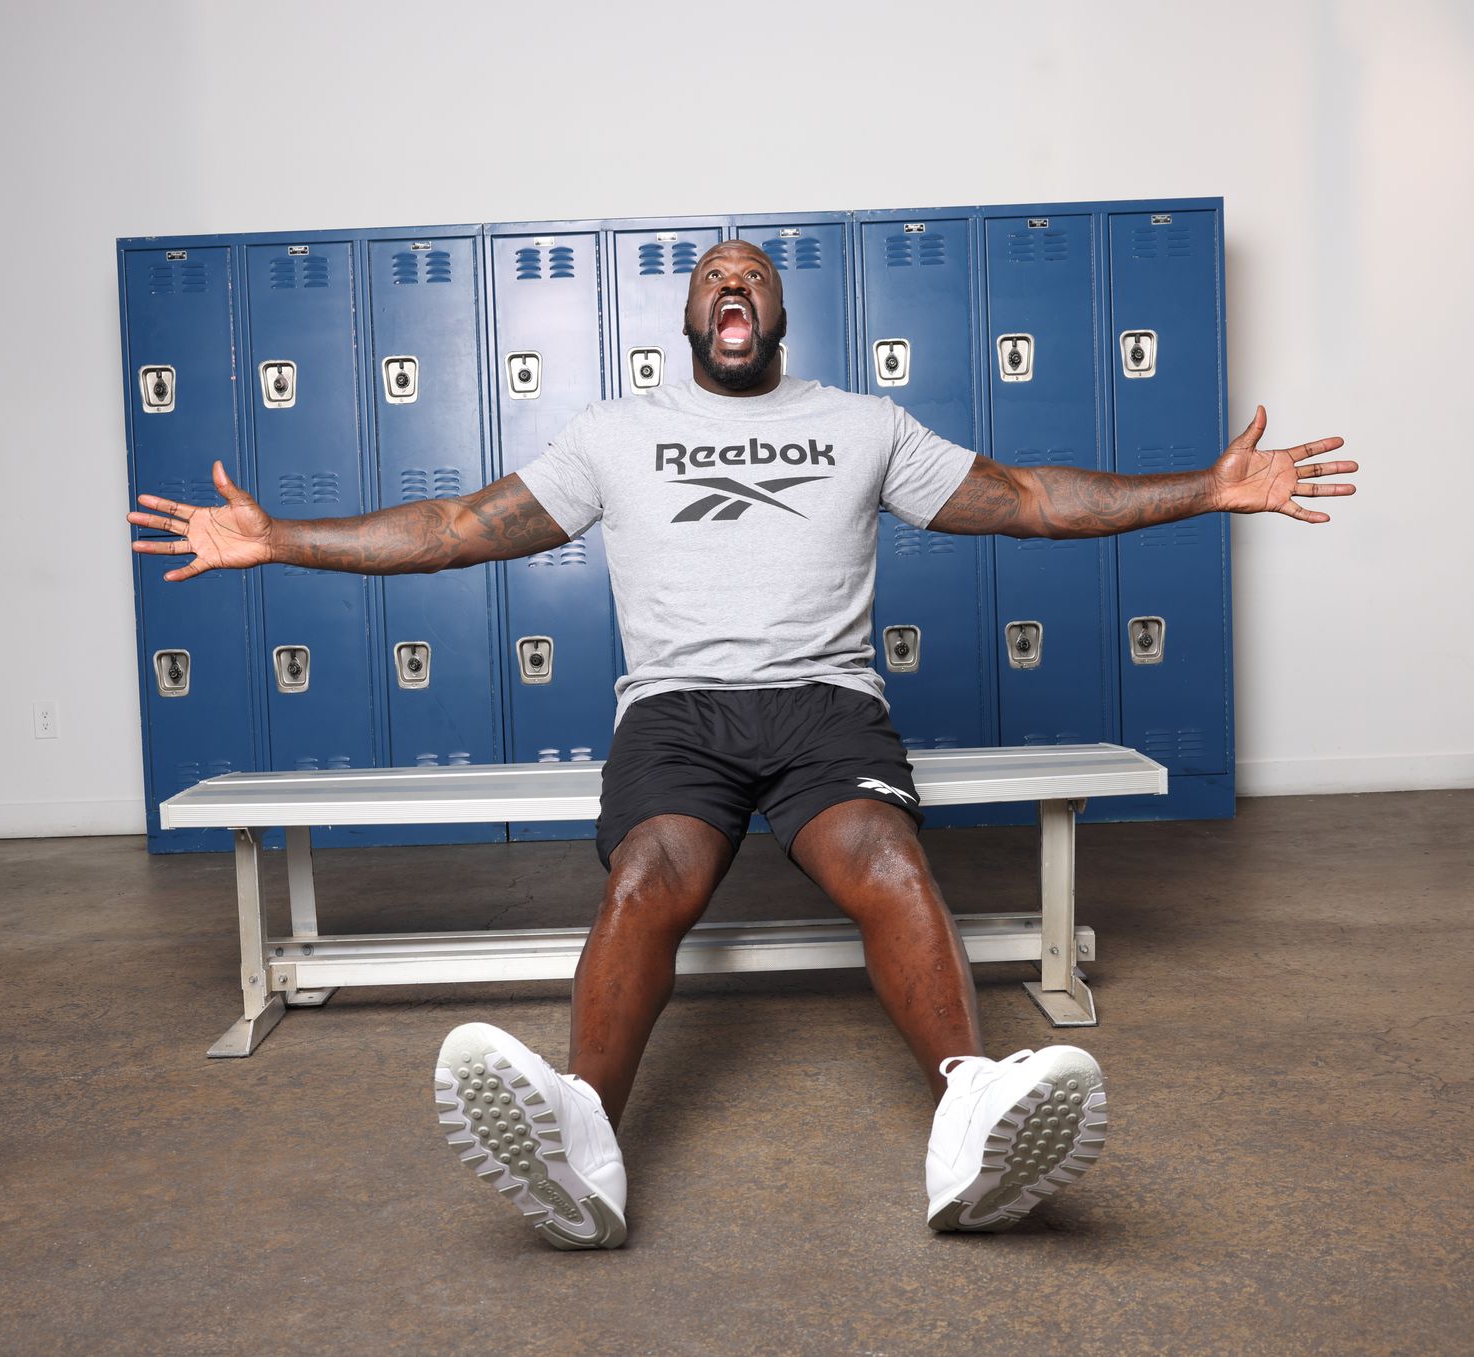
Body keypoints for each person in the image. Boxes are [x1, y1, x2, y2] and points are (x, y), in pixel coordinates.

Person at [129, 240, 1356, 1249]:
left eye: (756, 275)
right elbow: (457, 524)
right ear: (687, 312)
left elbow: (1031, 499)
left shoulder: (862, 422)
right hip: (675, 710)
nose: (734, 284)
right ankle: (582, 1143)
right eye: (715, 274)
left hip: (826, 700)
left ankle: (971, 1114)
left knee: (883, 859)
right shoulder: (616, 431)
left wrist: (1205, 488)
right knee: (649, 873)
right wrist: (279, 537)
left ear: (778, 314)